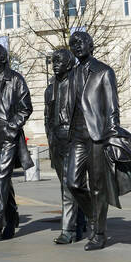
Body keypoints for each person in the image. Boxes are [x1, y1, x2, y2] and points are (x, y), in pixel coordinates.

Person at [66, 31, 120, 251]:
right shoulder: (72, 73)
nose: (77, 46)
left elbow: (112, 108)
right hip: (77, 135)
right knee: (73, 183)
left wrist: (113, 136)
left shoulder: (104, 72)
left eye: (80, 43)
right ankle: (94, 218)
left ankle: (99, 233)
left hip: (97, 135)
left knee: (98, 187)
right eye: (73, 44)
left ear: (91, 45)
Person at [0, 42, 33, 242]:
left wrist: (12, 127)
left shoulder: (15, 79)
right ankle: (11, 217)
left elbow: (26, 107)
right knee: (2, 180)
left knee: (1, 177)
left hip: (8, 133)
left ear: (3, 58)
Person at [45, 48, 86, 244]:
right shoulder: (50, 88)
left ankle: (68, 230)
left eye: (59, 61)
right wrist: (51, 140)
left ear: (69, 63)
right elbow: (47, 118)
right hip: (57, 142)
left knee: (70, 185)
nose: (55, 65)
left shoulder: (79, 84)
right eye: (53, 61)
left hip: (75, 140)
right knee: (67, 185)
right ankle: (82, 219)